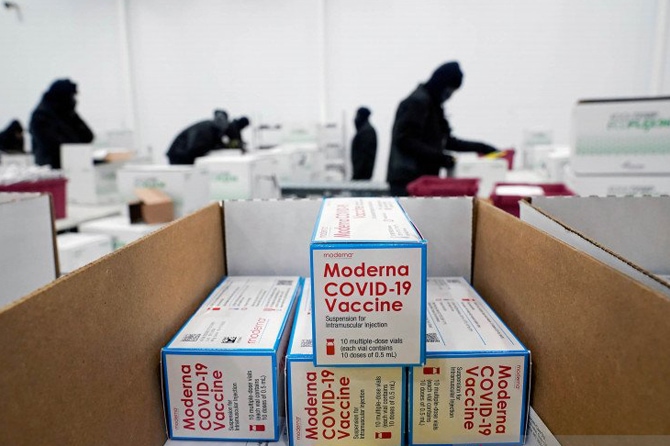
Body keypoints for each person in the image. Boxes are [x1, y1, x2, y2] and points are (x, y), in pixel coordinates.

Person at [386, 61, 497, 196]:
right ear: (441, 84)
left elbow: (446, 141)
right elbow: (405, 140)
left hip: (421, 180)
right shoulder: (417, 102)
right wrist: (440, 158)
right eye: (449, 90)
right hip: (407, 181)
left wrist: (481, 147)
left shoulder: (433, 106)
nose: (449, 95)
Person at [29, 79, 94, 169]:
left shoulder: (65, 112)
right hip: (50, 169)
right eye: (72, 96)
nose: (74, 100)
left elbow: (88, 137)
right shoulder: (41, 116)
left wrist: (73, 115)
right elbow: (54, 147)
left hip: (72, 165)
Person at [350, 107, 377, 180]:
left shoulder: (366, 132)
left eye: (357, 115)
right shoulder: (366, 131)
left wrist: (357, 175)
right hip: (361, 174)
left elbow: (363, 157)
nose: (355, 119)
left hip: (361, 175)